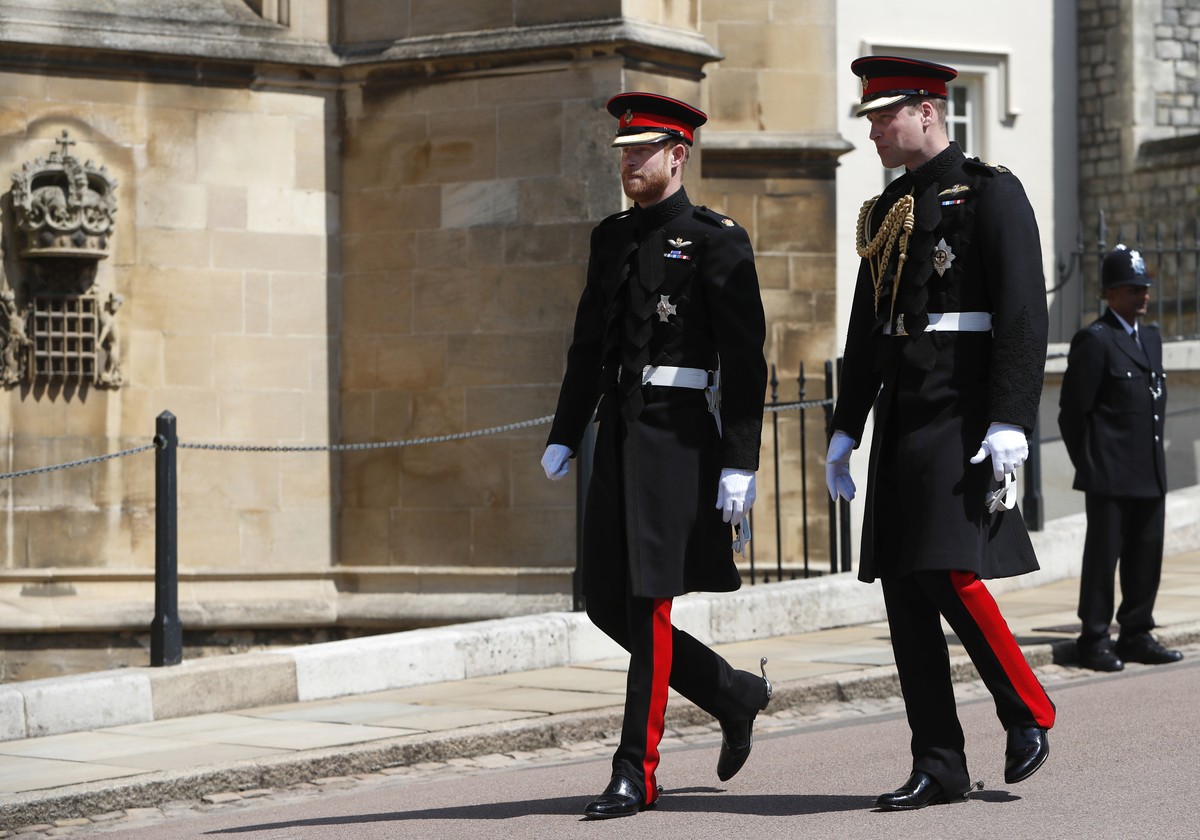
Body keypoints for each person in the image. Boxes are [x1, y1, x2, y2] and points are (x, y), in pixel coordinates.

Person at [825, 55, 1056, 811]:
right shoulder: (887, 213)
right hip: (904, 410)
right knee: (904, 587)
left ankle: (1026, 710)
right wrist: (843, 427)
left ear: (929, 110)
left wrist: (1013, 418)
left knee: (948, 568)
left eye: (883, 115)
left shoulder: (992, 194)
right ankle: (940, 760)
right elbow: (868, 333)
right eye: (868, 117)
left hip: (961, 407)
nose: (873, 130)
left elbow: (1023, 313)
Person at [540, 92, 771, 820]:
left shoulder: (716, 240)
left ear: (678, 154)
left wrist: (741, 460)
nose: (628, 161)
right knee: (608, 602)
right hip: (620, 432)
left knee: (650, 602)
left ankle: (635, 770)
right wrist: (565, 430)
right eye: (623, 151)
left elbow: (748, 360)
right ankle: (733, 693)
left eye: (642, 150)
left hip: (678, 436)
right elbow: (587, 346)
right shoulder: (609, 239)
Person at [1057, 245, 1183, 672]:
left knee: (1146, 553)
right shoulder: (1095, 340)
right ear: (1110, 294)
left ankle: (1136, 632)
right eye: (1133, 289)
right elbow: (1072, 413)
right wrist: (1089, 464)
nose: (1143, 296)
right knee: (1103, 557)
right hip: (1108, 472)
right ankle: (1093, 637)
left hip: (1148, 467)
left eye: (1144, 288)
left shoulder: (1150, 338)